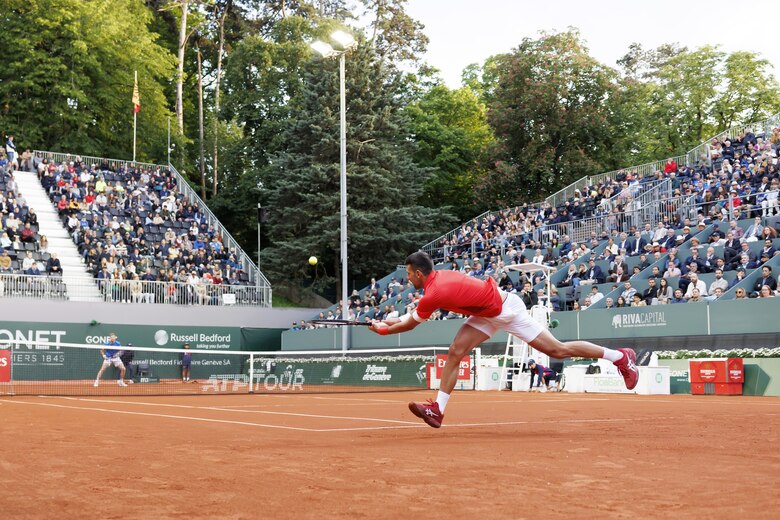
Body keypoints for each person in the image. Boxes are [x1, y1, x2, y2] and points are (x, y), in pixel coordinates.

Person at [369, 252, 638, 428]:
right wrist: (384, 322)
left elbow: (410, 324)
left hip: (507, 310)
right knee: (455, 351)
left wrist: (382, 330)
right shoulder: (436, 284)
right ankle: (438, 410)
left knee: (558, 350)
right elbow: (408, 317)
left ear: (418, 273)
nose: (406, 278)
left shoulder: (434, 292)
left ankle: (621, 357)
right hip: (485, 314)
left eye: (408, 274)